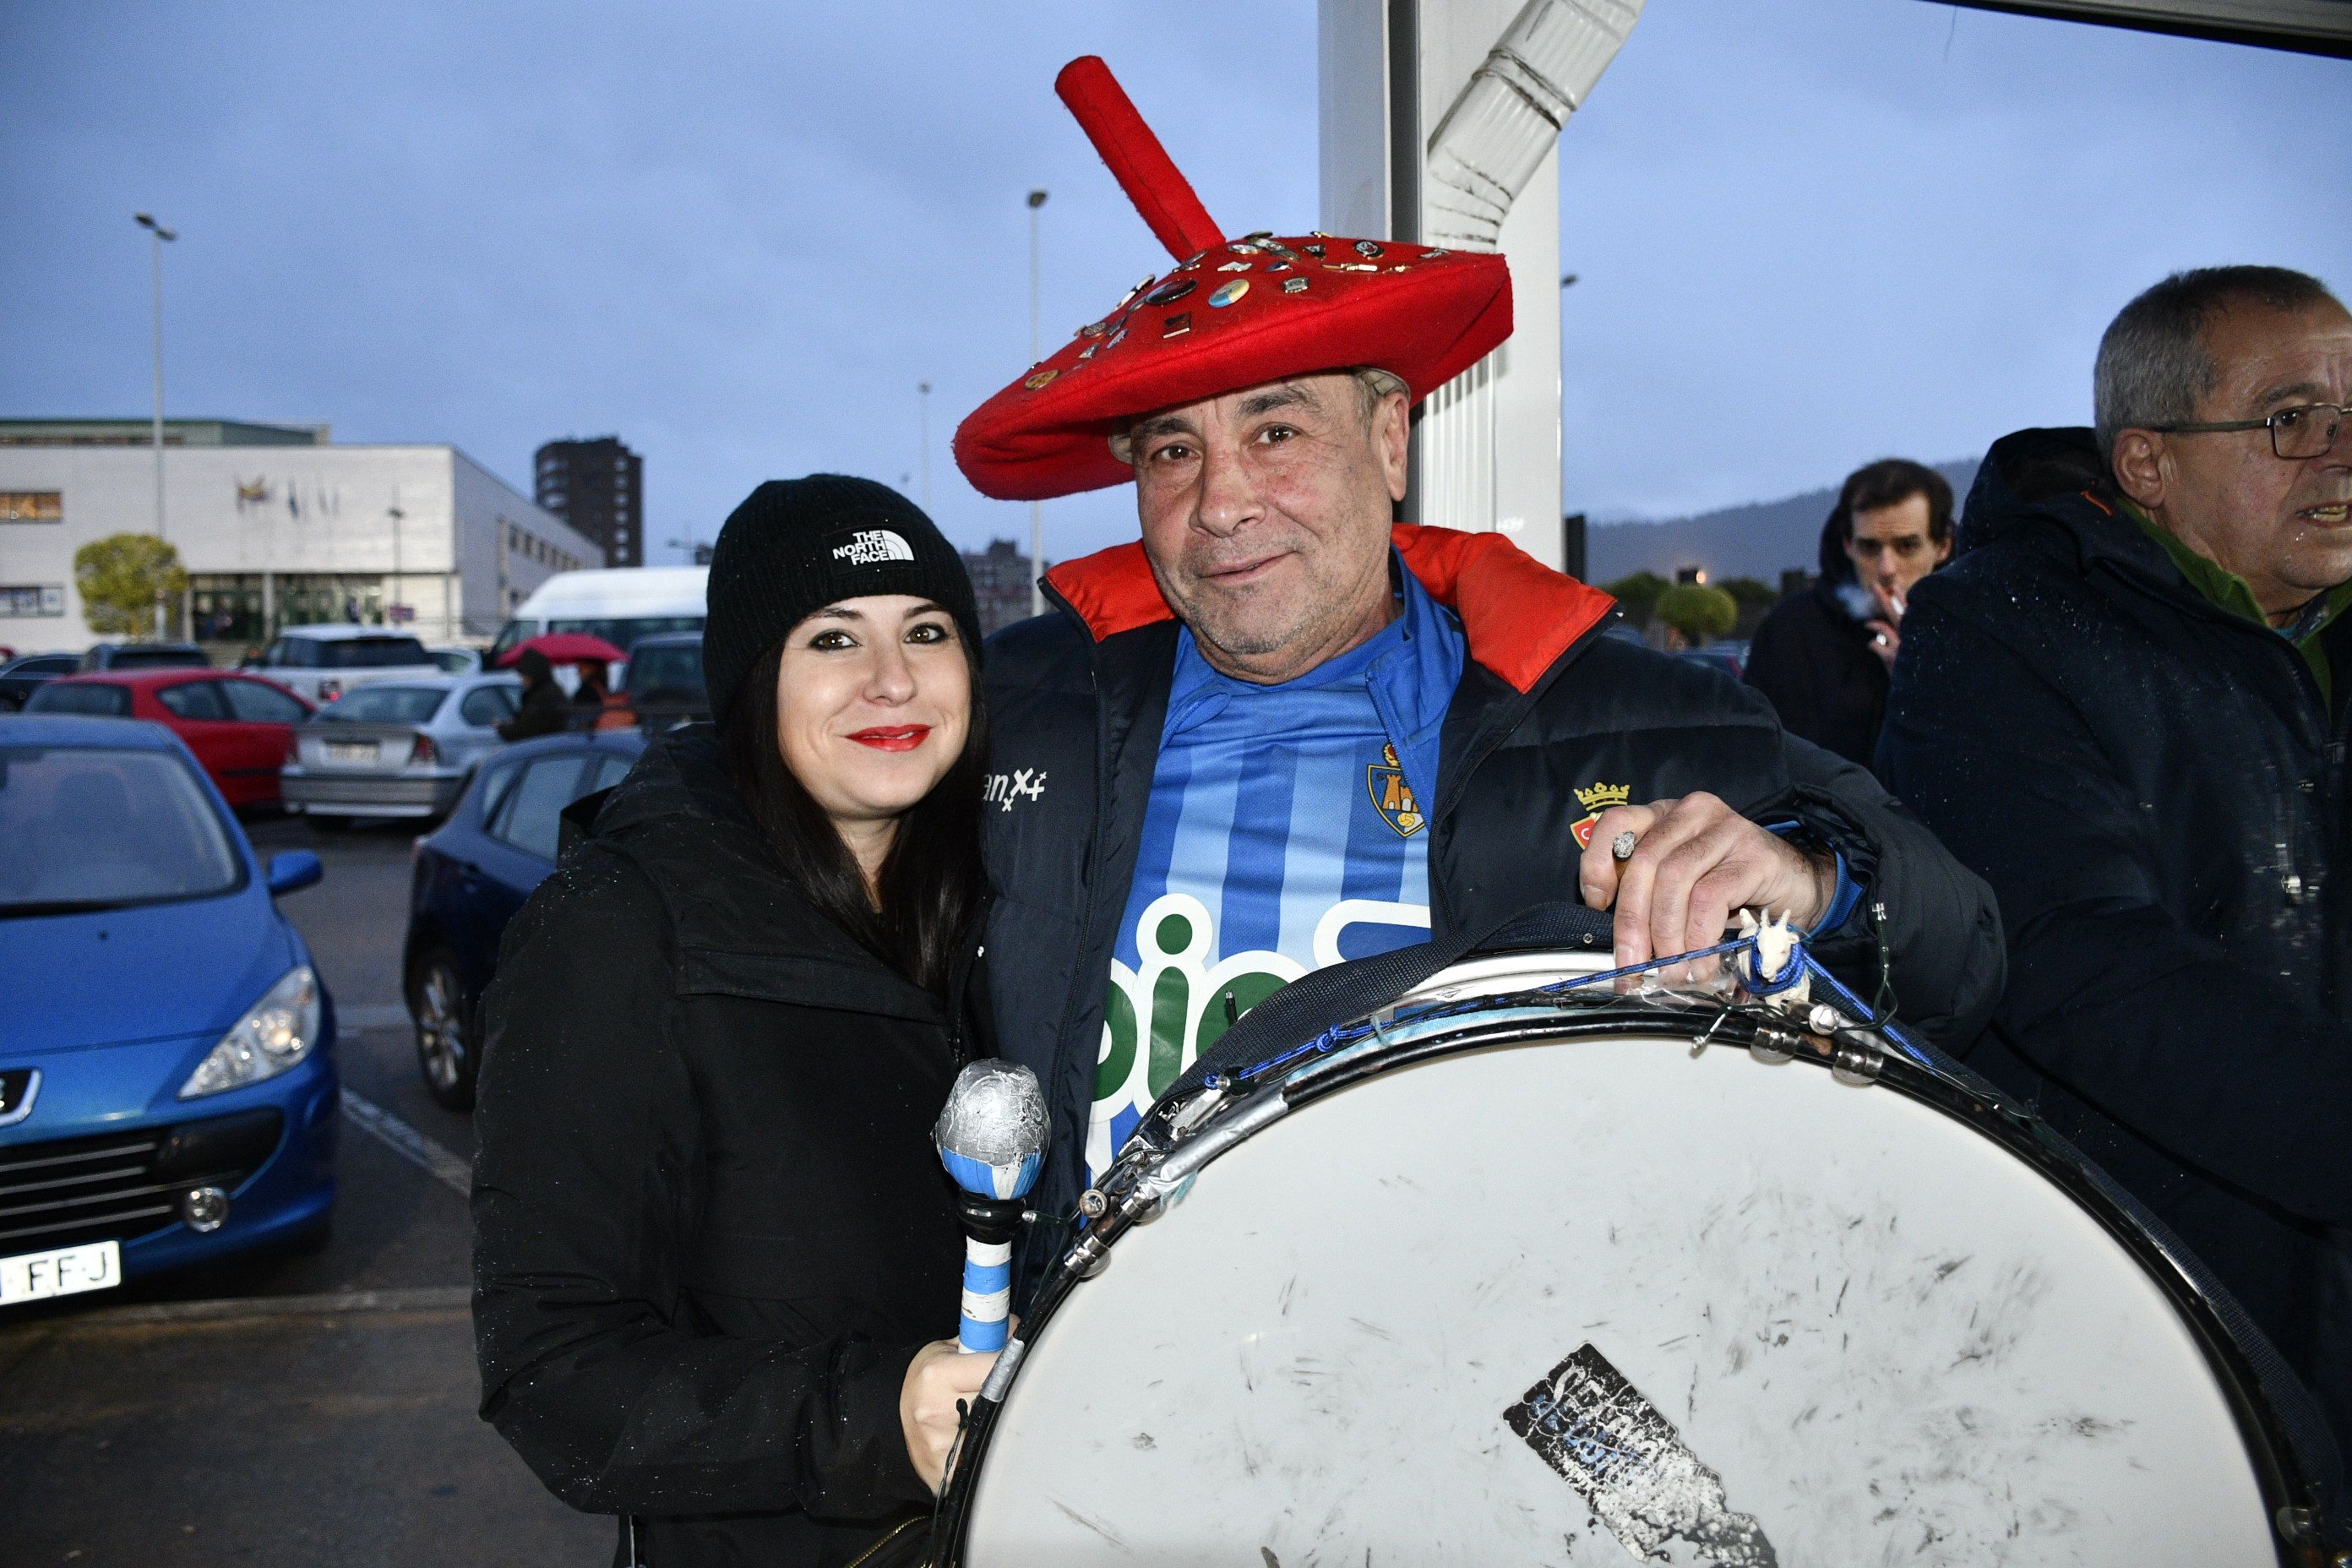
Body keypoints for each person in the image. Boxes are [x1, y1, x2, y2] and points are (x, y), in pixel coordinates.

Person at [954, 57, 2003, 1259]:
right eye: (1171, 453)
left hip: (1470, 1383)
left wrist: (1811, 890)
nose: (1222, 502)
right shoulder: (1023, 706)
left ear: (1390, 439)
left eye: (1278, 429)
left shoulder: (1627, 715)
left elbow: (1961, 958)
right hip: (1090, 1386)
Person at [471, 476, 999, 1566]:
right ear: (753, 682)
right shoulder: (619, 930)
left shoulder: (1004, 906)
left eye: (928, 630)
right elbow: (553, 1371)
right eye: (832, 639)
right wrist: (871, 1418)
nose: (890, 678)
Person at [1880, 265, 2352, 1449]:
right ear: (2148, 465)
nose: (2342, 455)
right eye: (2295, 421)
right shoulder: (2002, 630)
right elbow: (2075, 962)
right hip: (2153, 1323)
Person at [1743, 458, 1954, 767]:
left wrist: (1922, 677)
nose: (1886, 569)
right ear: (1848, 545)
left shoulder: (1974, 631)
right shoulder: (1791, 630)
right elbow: (1760, 755)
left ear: (1942, 547)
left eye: (1907, 546)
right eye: (1870, 548)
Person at [496, 647, 568, 742]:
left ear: (533, 674)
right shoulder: (549, 692)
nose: (523, 681)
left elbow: (526, 730)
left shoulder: (542, 698)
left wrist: (502, 728)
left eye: (524, 676)